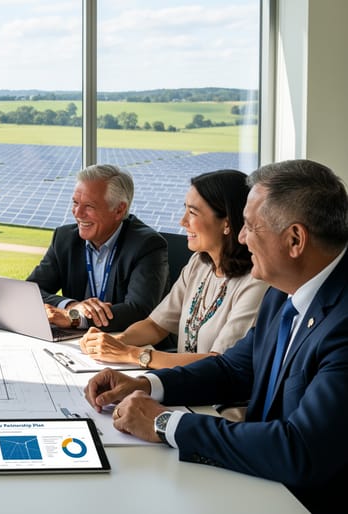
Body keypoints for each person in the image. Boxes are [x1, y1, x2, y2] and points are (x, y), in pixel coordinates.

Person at [84, 159, 348, 513]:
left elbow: (300, 449)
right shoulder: (282, 291)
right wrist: (145, 385)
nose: (241, 237)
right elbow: (234, 369)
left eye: (251, 227)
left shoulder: (342, 322)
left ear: (295, 239)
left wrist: (164, 423)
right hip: (258, 479)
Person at [78, 170, 268, 371]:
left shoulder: (256, 282)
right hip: (182, 384)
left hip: (213, 396)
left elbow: (219, 362)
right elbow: (156, 325)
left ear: (227, 223)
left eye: (193, 213)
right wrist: (117, 341)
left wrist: (131, 354)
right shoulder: (199, 263)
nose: (182, 221)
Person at [26, 164, 168, 332]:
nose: (78, 213)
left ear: (119, 210)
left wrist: (76, 318)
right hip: (76, 342)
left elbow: (139, 310)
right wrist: (72, 305)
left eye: (89, 206)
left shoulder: (147, 245)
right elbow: (30, 291)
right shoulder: (65, 238)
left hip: (131, 344)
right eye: (75, 203)